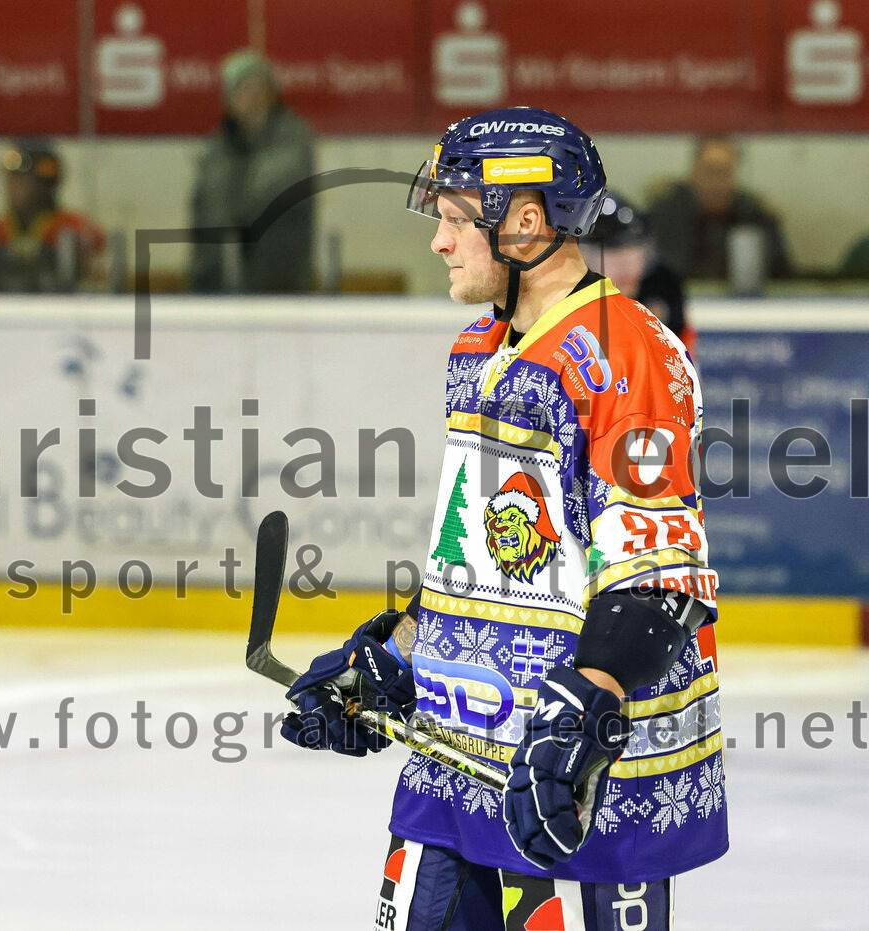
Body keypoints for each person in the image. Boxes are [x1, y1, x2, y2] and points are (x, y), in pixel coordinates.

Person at [280, 106, 726, 930]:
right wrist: (392, 656)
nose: (439, 241)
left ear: (524, 222)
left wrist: (582, 714)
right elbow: (479, 555)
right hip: (457, 755)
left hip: (565, 777)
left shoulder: (627, 354)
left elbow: (660, 575)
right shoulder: (477, 349)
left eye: (454, 219)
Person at [190, 49, 314, 293]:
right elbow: (203, 209)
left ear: (272, 95)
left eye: (258, 88)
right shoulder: (218, 146)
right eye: (243, 89)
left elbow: (269, 196)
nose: (252, 97)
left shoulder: (292, 141)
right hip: (218, 281)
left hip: (278, 283)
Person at [0, 141, 106, 292]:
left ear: (45, 184)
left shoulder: (75, 228)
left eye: (22, 179)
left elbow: (96, 279)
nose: (12, 187)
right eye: (10, 178)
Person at [647, 135, 791, 280]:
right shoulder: (665, 215)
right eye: (710, 171)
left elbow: (783, 277)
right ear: (693, 172)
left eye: (724, 172)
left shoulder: (756, 217)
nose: (716, 181)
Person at [580, 191, 696, 355]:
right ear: (581, 254)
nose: (627, 265)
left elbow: (680, 356)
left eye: (635, 250)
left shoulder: (663, 285)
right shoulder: (559, 300)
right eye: (613, 252)